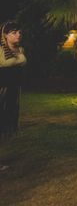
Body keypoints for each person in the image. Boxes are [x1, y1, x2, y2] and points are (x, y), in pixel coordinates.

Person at [0, 21, 27, 172]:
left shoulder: (19, 49)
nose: (18, 35)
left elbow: (23, 60)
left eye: (19, 32)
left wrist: (16, 59)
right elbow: (4, 62)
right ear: (5, 35)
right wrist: (17, 59)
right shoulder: (1, 49)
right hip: (1, 91)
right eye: (14, 32)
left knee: (4, 126)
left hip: (12, 92)